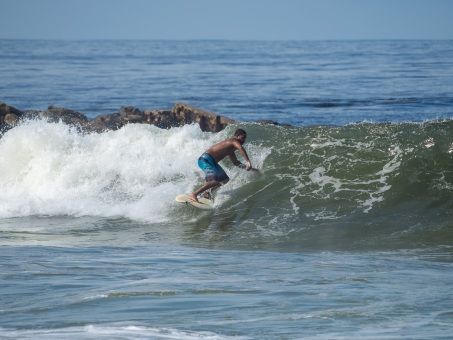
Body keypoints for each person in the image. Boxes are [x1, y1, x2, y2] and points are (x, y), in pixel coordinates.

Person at [189, 129, 255, 202]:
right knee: (215, 181)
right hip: (205, 160)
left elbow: (236, 163)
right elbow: (240, 148)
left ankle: (206, 192)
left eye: (245, 138)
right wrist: (248, 161)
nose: (244, 140)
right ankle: (194, 194)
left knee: (225, 180)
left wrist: (251, 169)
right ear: (237, 136)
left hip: (212, 162)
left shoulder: (230, 149)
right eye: (243, 137)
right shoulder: (233, 141)